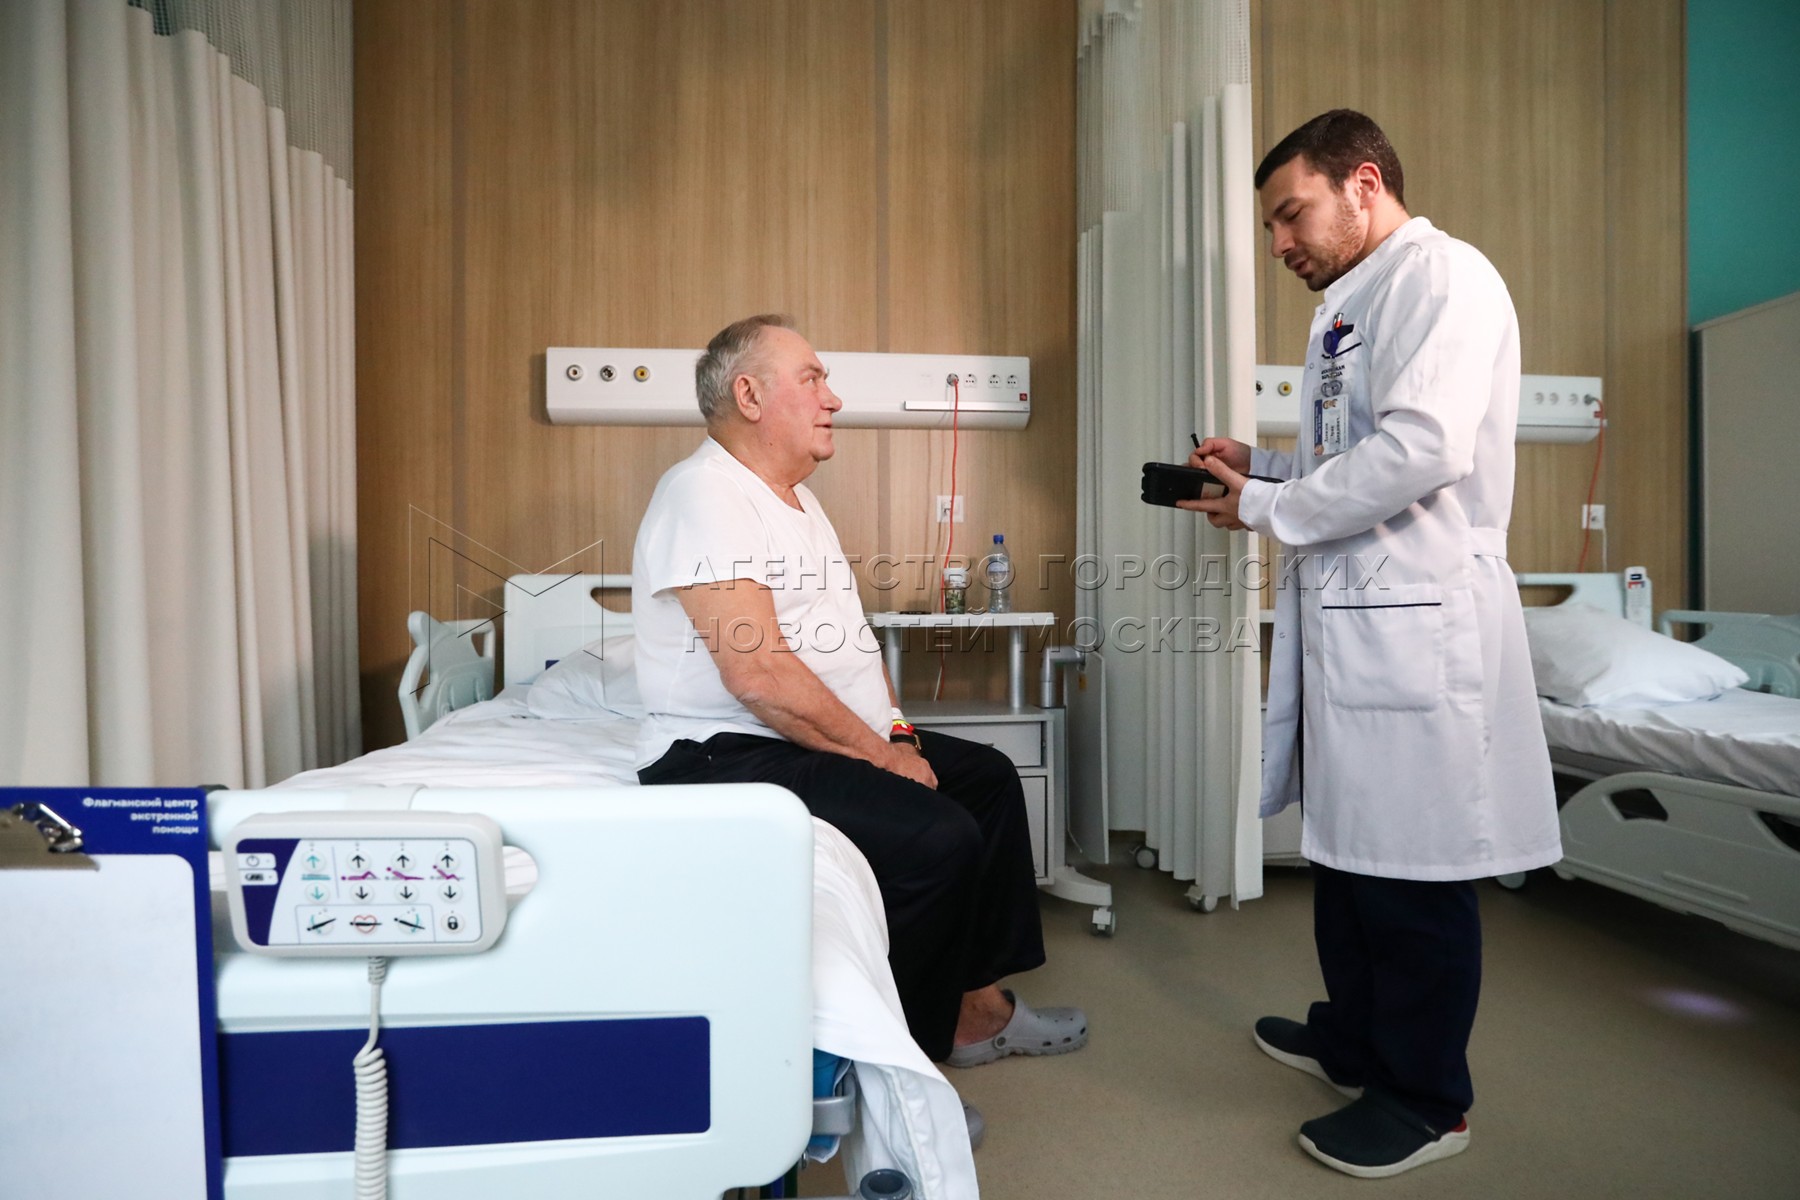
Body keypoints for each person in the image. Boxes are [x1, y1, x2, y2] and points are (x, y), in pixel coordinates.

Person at [1180, 110, 1560, 1178]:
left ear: (1362, 183)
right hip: (1358, 613)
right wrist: (1264, 469)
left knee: (1413, 871)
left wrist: (1267, 504)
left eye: (1290, 214)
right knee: (1347, 855)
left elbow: (1424, 449)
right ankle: (1353, 1039)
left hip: (1421, 615)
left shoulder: (1444, 278)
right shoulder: (1355, 304)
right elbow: (1353, 457)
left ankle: (1428, 1099)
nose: (1279, 242)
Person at [632, 314, 1088, 1094]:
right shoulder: (705, 493)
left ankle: (975, 1010)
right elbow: (759, 674)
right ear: (749, 395)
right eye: (812, 378)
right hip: (720, 752)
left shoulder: (796, 504)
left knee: (986, 780)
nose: (833, 398)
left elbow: (853, 647)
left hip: (795, 738)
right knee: (937, 837)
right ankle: (902, 1072)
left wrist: (899, 734)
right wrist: (881, 759)